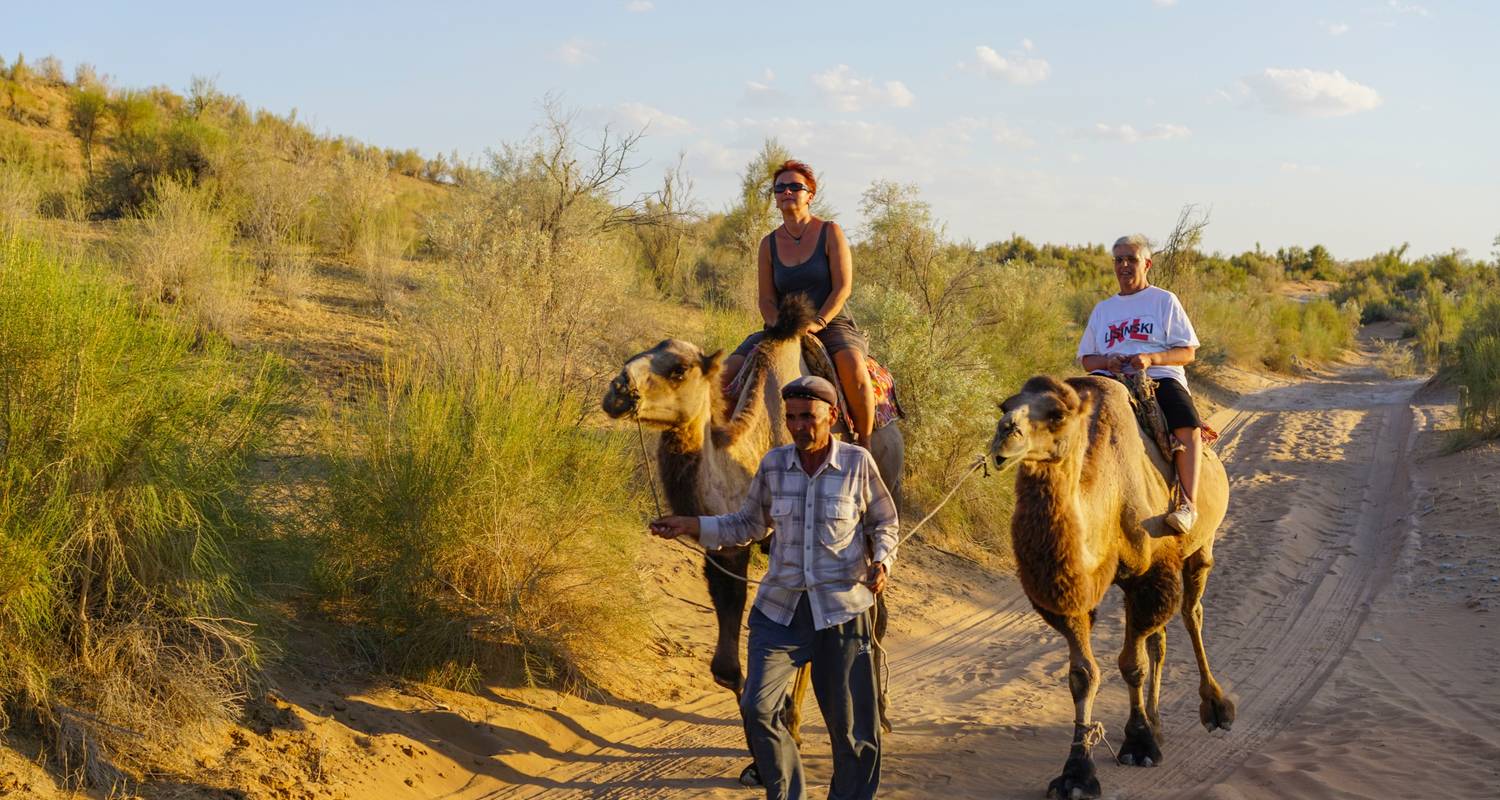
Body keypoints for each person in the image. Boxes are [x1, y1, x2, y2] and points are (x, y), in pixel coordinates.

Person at [650, 375, 898, 800]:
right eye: (792, 418)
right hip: (780, 610)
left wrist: (882, 561)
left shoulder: (857, 464)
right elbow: (747, 525)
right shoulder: (773, 464)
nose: (799, 426)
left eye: (809, 417)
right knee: (757, 709)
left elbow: (884, 521)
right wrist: (692, 524)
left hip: (841, 610)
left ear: (831, 417)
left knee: (854, 730)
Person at [721, 160, 878, 449]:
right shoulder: (768, 244)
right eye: (780, 188)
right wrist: (777, 326)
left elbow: (843, 288)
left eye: (796, 186)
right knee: (724, 372)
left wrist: (817, 322)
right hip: (783, 326)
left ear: (810, 195)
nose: (787, 192)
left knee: (853, 367)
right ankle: (721, 444)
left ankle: (865, 443)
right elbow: (766, 299)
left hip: (830, 322)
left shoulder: (830, 232)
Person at [1077, 234, 1205, 535]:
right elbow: (1086, 360)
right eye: (1118, 259)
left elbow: (1188, 352)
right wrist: (1107, 362)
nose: (1123, 265)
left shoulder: (1163, 301)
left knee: (1186, 422)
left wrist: (1151, 358)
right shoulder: (1103, 310)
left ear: (1146, 264)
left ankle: (1188, 504)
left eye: (1130, 259)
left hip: (1158, 378)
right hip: (1110, 379)